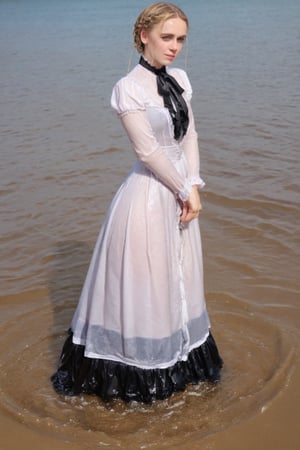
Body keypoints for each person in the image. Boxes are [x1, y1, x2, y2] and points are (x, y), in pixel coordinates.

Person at [51, 2, 223, 403]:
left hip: (182, 194)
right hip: (148, 196)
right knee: (148, 281)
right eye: (167, 37)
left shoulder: (179, 78)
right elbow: (148, 152)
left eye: (180, 38)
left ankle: (178, 355)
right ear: (143, 35)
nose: (175, 46)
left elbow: (189, 137)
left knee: (179, 278)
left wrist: (193, 186)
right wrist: (184, 188)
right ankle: (136, 366)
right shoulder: (128, 87)